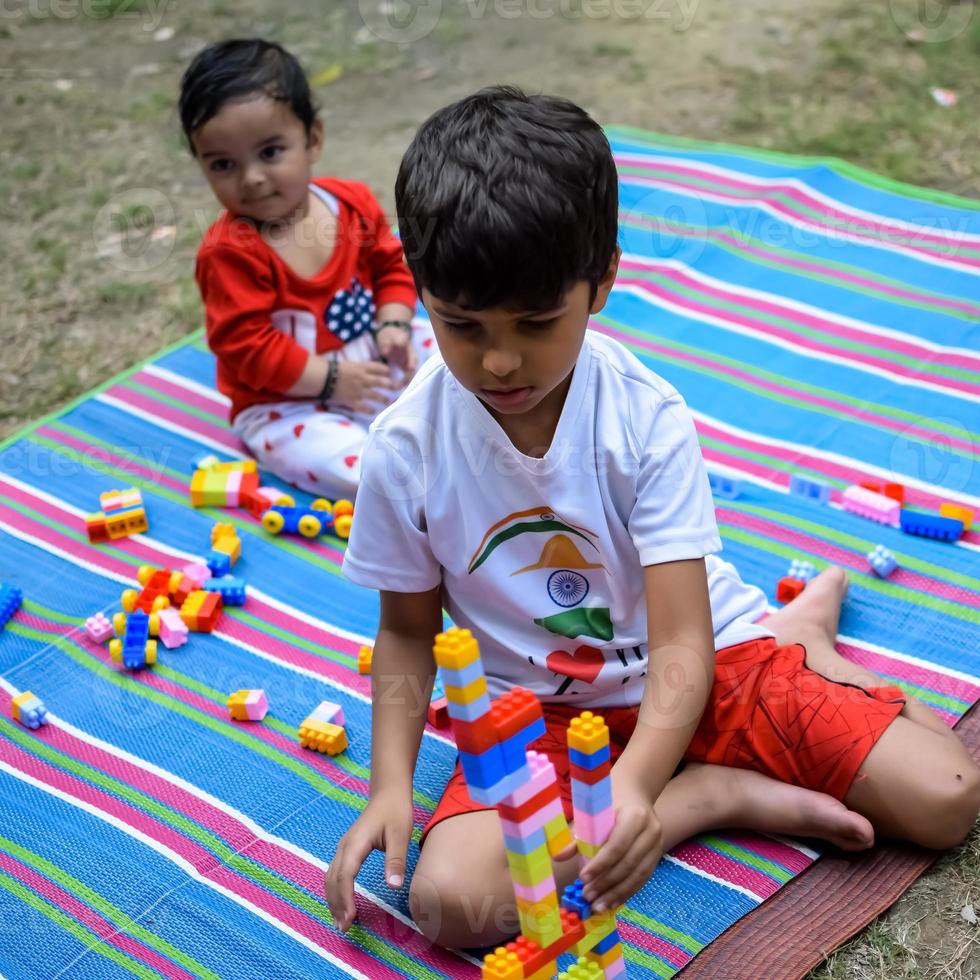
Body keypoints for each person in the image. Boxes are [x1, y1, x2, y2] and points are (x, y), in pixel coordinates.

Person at [324, 86, 980, 949]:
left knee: (945, 795)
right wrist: (390, 786)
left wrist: (633, 788)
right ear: (423, 290)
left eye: (535, 320)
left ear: (602, 283)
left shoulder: (644, 417)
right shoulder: (404, 447)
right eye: (461, 323)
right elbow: (408, 632)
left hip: (710, 663)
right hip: (541, 718)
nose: (501, 357)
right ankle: (713, 797)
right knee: (451, 904)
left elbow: (683, 646)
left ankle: (779, 668)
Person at [179, 38, 435, 499]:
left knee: (452, 354)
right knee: (346, 462)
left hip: (374, 356)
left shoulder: (350, 204)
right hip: (288, 404)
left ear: (312, 138)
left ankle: (467, 431)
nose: (252, 177)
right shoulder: (230, 252)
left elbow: (391, 267)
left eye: (271, 152)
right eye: (223, 164)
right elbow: (249, 349)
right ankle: (411, 489)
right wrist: (333, 380)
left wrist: (394, 324)